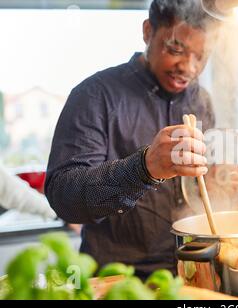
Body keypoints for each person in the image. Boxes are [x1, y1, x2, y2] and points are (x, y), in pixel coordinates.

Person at [45, 0, 218, 278]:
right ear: (148, 31)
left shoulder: (201, 101)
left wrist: (223, 180)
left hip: (188, 275)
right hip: (116, 279)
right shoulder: (96, 95)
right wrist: (144, 168)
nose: (189, 67)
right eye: (176, 49)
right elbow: (64, 196)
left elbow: (199, 188)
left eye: (202, 56)